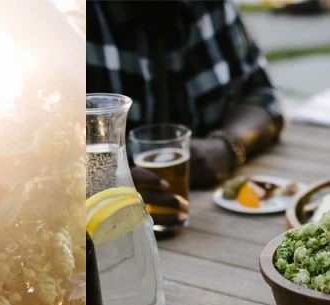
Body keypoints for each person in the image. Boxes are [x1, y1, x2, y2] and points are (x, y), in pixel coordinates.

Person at [85, 0, 284, 189]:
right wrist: (109, 185)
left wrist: (226, 145)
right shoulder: (68, 20)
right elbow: (55, 163)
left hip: (207, 211)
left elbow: (260, 91)